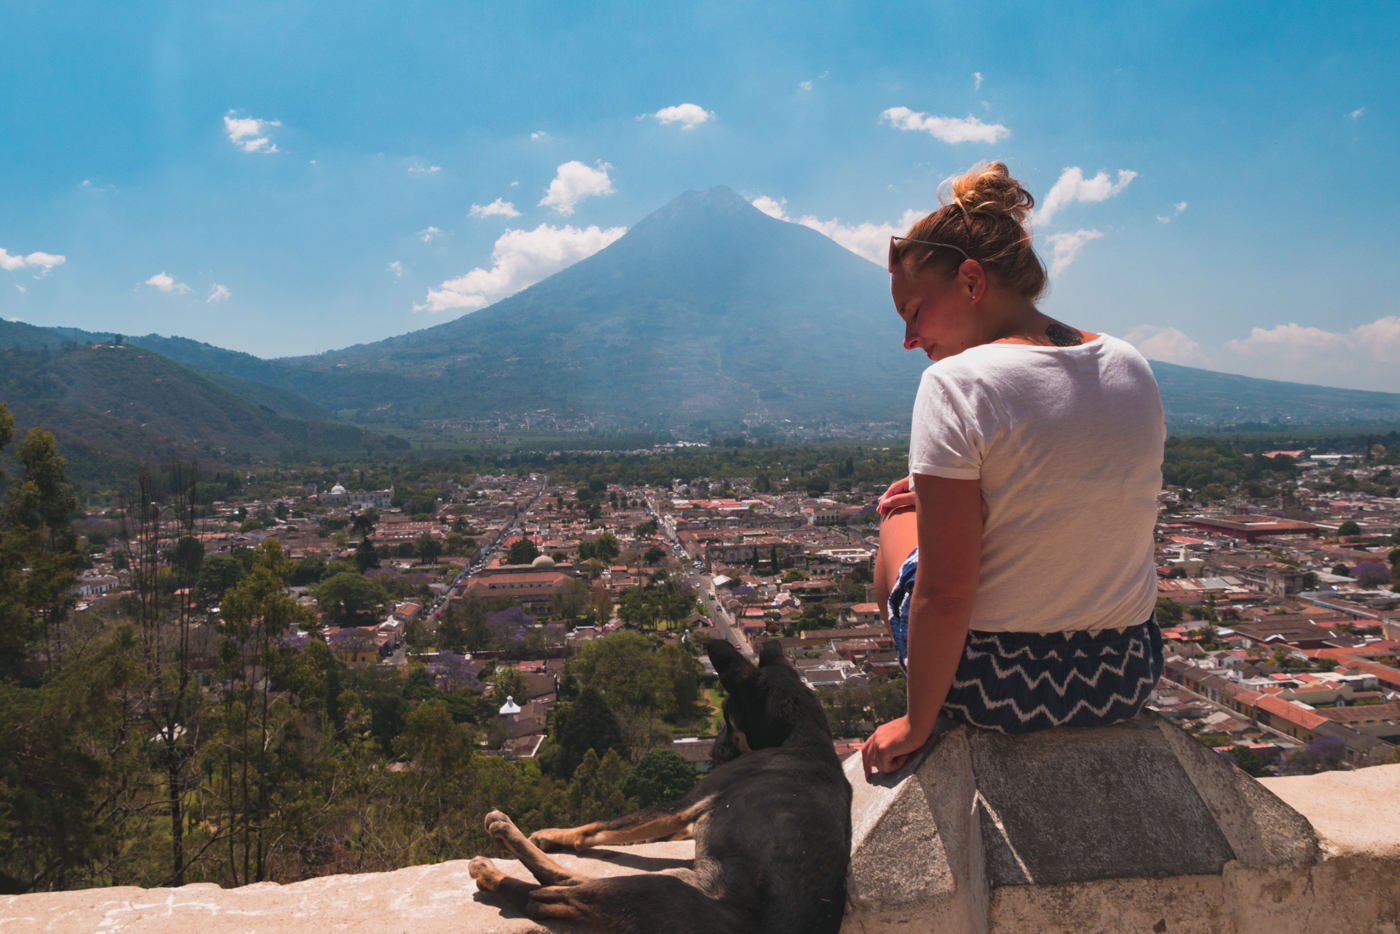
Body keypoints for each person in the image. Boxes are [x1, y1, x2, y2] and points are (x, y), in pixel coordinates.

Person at [859, 162, 1165, 780]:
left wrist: (918, 724)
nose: (910, 338)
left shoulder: (954, 384)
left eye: (915, 311)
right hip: (1126, 672)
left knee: (897, 524)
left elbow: (946, 592)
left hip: (1000, 688)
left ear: (972, 280)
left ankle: (924, 701)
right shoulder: (1128, 362)